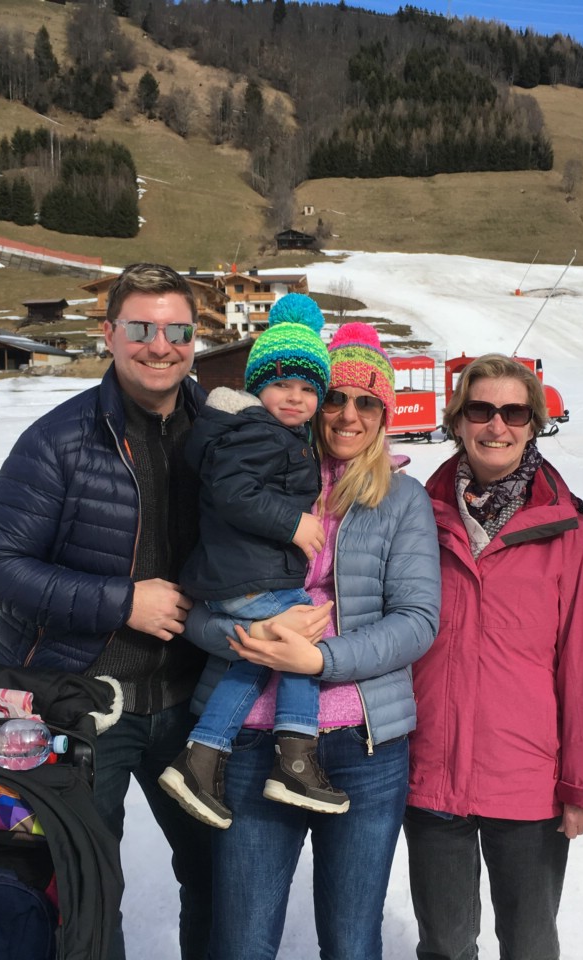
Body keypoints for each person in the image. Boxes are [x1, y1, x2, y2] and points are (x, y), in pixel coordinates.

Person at [0, 262, 212, 960]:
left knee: (219, 874)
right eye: (141, 328)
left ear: (195, 338)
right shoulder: (60, 440)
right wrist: (122, 602)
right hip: (84, 703)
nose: (159, 346)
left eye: (177, 331)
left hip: (195, 702)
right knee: (86, 887)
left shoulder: (220, 431)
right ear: (109, 334)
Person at [184, 321, 441, 960]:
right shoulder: (251, 478)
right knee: (242, 942)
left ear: (385, 415)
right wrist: (251, 636)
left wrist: (319, 659)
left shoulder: (402, 500)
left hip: (363, 743)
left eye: (367, 403)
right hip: (251, 737)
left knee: (352, 943)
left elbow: (416, 620)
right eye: (337, 398)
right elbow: (197, 608)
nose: (349, 416)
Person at [406, 353, 583, 960]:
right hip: (431, 772)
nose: (497, 425)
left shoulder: (566, 528)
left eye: (514, 412)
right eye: (481, 409)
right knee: (444, 945)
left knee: (529, 943)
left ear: (534, 424)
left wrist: (581, 783)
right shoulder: (415, 516)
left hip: (527, 781)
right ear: (457, 420)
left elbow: (580, 663)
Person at [161, 294, 351, 828]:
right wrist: (294, 524)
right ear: (257, 385)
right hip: (249, 574)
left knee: (254, 656)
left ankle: (201, 758)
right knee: (299, 645)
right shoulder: (255, 431)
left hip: (241, 571)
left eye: (308, 389)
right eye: (282, 384)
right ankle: (296, 758)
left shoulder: (264, 432)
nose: (295, 398)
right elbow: (233, 493)